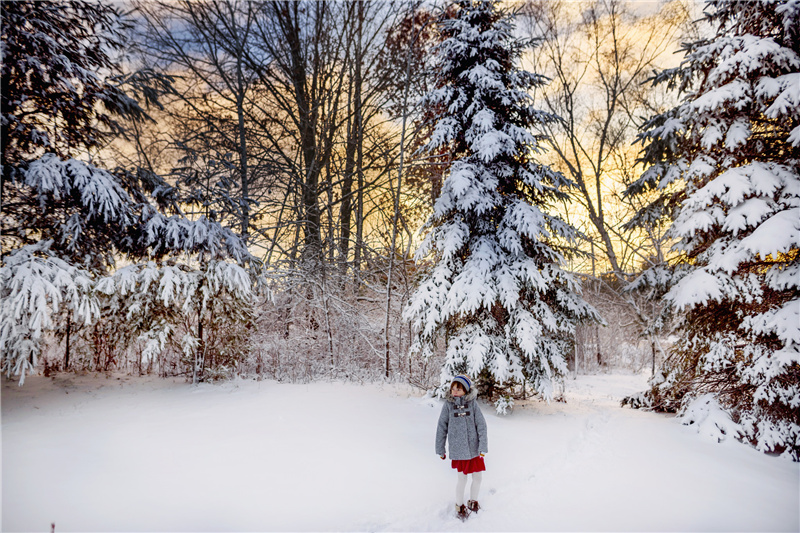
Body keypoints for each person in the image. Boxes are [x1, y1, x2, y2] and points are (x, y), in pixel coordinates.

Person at [435, 374, 488, 520]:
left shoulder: (473, 404)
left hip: (474, 448)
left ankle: (473, 501)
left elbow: (481, 425)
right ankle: (459, 506)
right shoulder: (448, 405)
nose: (455, 391)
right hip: (459, 449)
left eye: (458, 389)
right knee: (462, 478)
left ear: (465, 389)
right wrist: (440, 449)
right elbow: (441, 427)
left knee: (477, 476)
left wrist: (483, 446)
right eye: (453, 389)